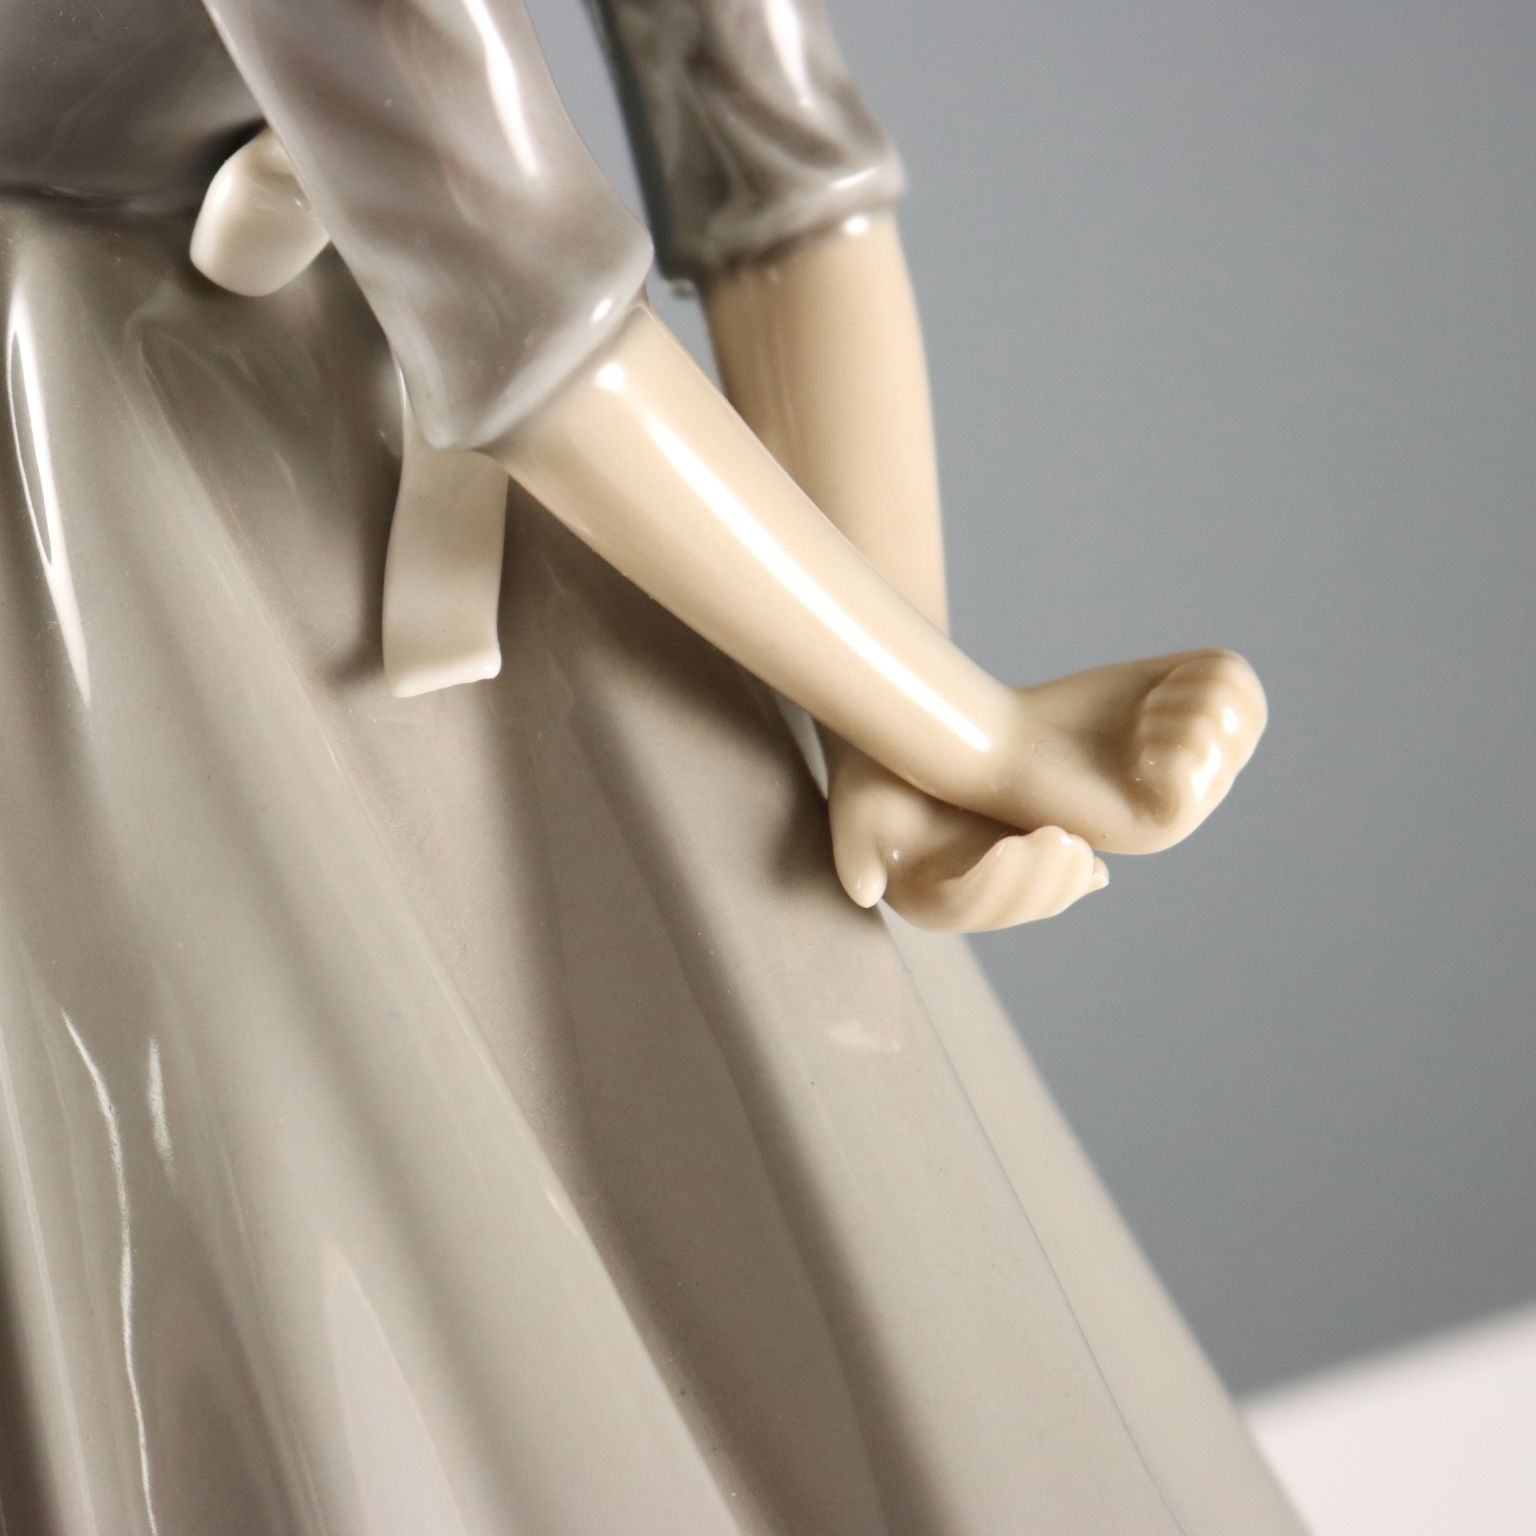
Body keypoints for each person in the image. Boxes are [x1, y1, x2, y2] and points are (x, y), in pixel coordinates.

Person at [0, 0, 1297, 1530]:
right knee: (268, 1162)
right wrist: (969, 729)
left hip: (476, 389)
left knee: (784, 1085)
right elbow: (516, 289)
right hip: (92, 462)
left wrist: (889, 738)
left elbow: (776, 164)